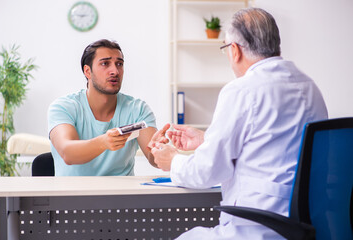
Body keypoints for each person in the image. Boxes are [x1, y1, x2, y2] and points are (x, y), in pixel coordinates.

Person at [149, 8, 328, 239]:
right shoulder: (309, 86)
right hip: (304, 225)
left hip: (256, 227)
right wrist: (206, 140)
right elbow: (277, 145)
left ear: (234, 50)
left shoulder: (242, 89)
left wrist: (172, 160)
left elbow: (206, 173)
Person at [48, 39, 168, 176]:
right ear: (87, 71)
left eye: (119, 64)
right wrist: (104, 142)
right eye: (105, 63)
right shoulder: (64, 107)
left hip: (121, 194)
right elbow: (67, 153)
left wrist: (159, 150)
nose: (115, 71)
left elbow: (154, 159)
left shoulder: (138, 109)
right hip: (74, 194)